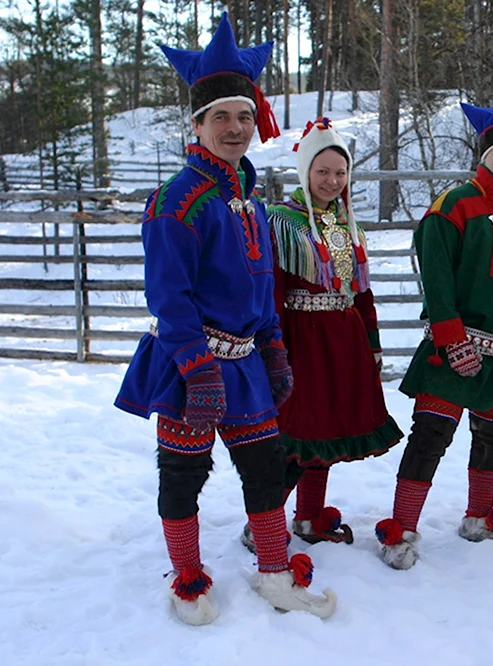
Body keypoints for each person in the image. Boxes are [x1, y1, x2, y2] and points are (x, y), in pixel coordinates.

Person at [114, 13, 336, 625]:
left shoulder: (251, 200)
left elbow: (260, 287)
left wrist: (273, 347)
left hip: (246, 366)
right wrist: (198, 370)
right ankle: (186, 575)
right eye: (222, 118)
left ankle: (273, 570)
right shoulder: (177, 202)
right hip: (190, 364)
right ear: (198, 125)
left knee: (265, 470)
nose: (235, 128)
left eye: (244, 117)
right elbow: (170, 297)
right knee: (183, 472)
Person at [374, 77, 493, 570]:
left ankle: (478, 519)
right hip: (455, 351)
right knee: (431, 435)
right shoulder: (453, 206)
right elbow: (437, 277)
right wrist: (452, 339)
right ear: (485, 154)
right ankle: (402, 530)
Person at [240, 118, 403, 551]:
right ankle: (262, 522)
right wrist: (270, 349)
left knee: (325, 435)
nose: (332, 181)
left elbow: (360, 293)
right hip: (301, 341)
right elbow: (270, 290)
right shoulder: (280, 223)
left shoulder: (348, 226)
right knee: (295, 437)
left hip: (343, 341)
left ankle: (309, 518)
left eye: (340, 172)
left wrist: (371, 345)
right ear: (305, 172)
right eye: (322, 171)